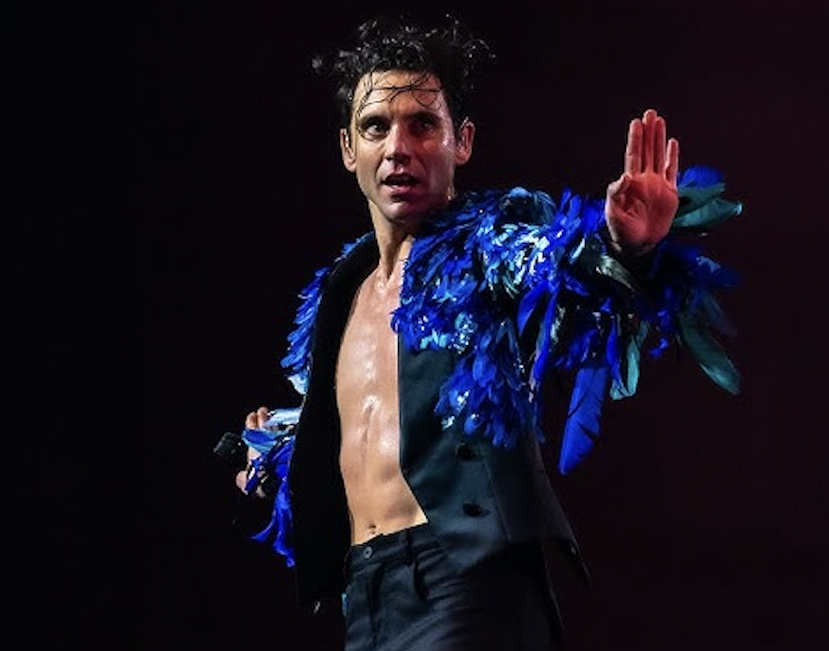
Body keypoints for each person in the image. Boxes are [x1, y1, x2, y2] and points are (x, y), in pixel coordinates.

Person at [222, 12, 743, 651]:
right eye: (376, 127)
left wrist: (617, 247)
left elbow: (552, 266)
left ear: (461, 141)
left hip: (464, 581)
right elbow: (368, 427)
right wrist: (276, 458)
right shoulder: (339, 291)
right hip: (366, 598)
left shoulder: (485, 246)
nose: (398, 147)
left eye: (422, 125)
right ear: (348, 148)